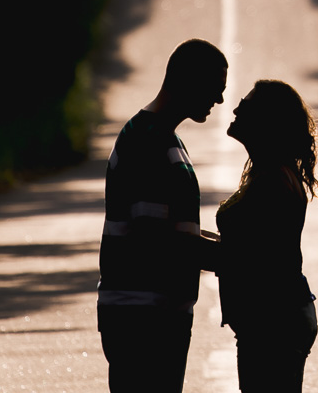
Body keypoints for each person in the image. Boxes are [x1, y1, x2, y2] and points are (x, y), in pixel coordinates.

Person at [97, 38, 227, 393]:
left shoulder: (165, 139)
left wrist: (221, 246)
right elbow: (157, 239)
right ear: (188, 80)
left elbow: (175, 230)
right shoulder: (148, 141)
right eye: (215, 87)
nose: (219, 99)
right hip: (142, 318)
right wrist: (234, 257)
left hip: (157, 314)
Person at [216, 79, 318, 393]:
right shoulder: (269, 173)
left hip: (273, 322)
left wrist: (178, 246)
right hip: (273, 318)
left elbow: (252, 256)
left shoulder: (273, 181)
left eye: (245, 106)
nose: (235, 110)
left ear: (266, 121)